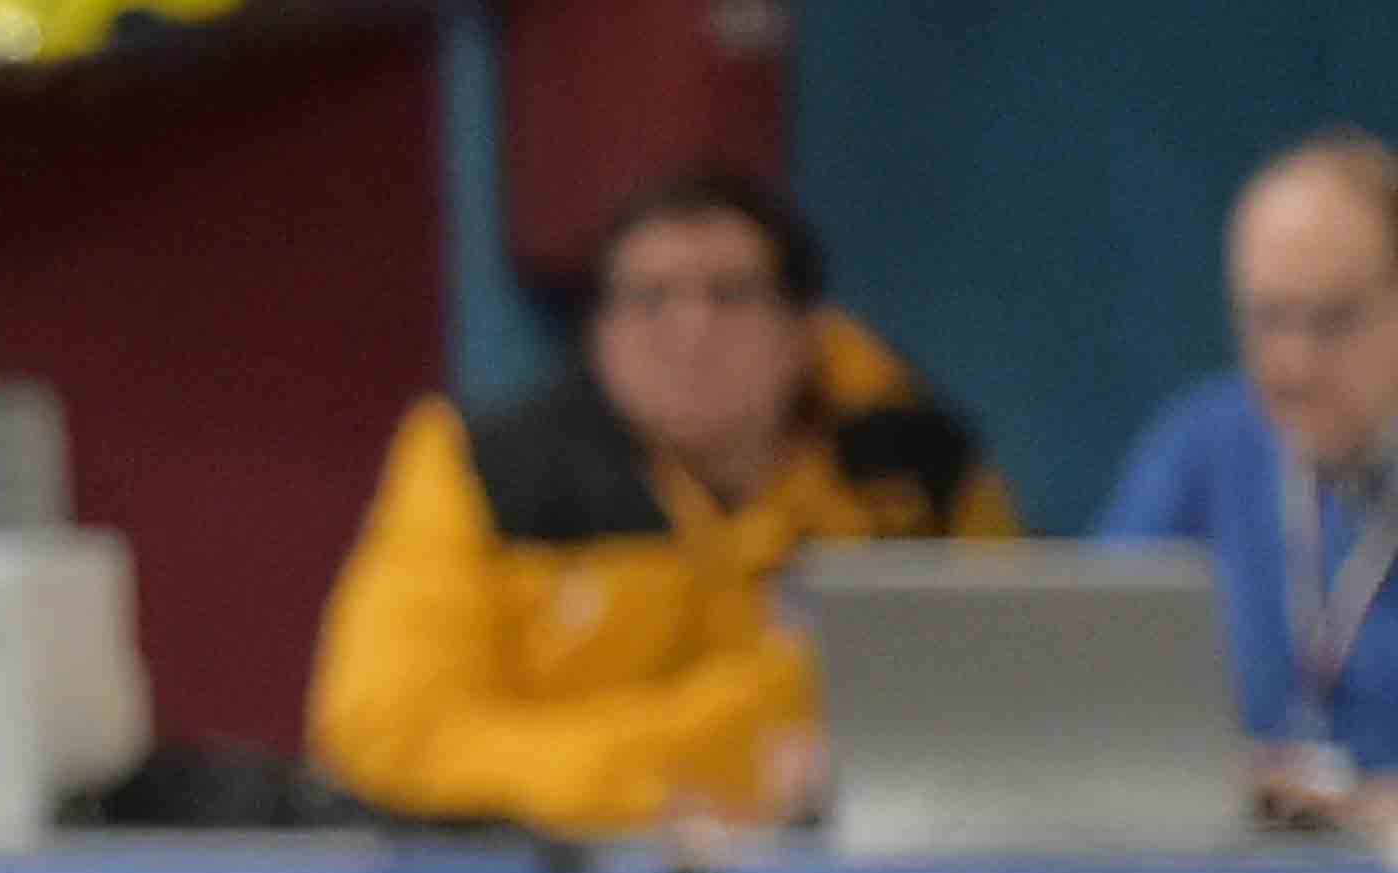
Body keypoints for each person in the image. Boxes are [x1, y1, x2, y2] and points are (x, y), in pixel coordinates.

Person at [309, 169, 1019, 837]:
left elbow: (1018, 701)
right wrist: (672, 779)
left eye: (731, 294)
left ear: (803, 327)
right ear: (600, 332)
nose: (690, 331)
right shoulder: (484, 467)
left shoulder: (912, 469)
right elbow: (385, 734)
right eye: (649, 298)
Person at [1096, 130, 1398, 830]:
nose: (1294, 363)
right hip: (1238, 864)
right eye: (1268, 318)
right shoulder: (1202, 447)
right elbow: (1088, 671)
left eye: (1332, 320)